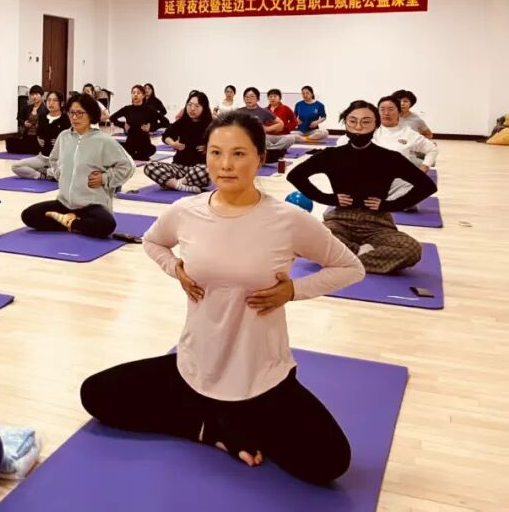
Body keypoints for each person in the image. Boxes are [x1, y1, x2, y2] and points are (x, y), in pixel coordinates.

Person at [81, 112, 363, 485]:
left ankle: (233, 416)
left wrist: (294, 290)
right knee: (96, 394)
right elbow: (152, 242)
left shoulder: (288, 219)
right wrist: (176, 268)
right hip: (195, 365)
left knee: (330, 461)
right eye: (216, 153)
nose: (225, 165)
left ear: (260, 158)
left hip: (259, 373)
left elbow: (350, 267)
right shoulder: (186, 211)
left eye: (238, 154)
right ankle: (208, 425)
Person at [287, 100, 437, 274]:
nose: (358, 127)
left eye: (366, 122)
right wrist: (328, 198)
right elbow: (295, 175)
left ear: (376, 125)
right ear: (345, 123)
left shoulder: (390, 158)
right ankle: (362, 254)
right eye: (353, 121)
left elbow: (426, 186)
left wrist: (389, 205)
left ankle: (345, 258)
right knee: (310, 237)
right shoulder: (332, 155)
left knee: (412, 250)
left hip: (378, 224)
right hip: (339, 221)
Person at [20, 94, 134, 239]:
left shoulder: (104, 141)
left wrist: (105, 178)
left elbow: (128, 166)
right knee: (29, 215)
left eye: (80, 113)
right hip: (64, 203)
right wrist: (60, 173)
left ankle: (71, 222)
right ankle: (74, 223)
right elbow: (53, 159)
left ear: (91, 115)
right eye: (71, 113)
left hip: (91, 205)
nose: (74, 117)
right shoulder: (64, 137)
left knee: (107, 225)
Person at [370, 95, 437, 206]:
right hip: (371, 178)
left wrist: (424, 168)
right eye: (382, 109)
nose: (386, 113)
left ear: (399, 112)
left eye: (390, 109)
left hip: (397, 180)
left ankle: (390, 201)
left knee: (415, 191)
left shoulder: (408, 133)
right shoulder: (370, 130)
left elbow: (432, 149)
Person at [143, 91, 213, 193]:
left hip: (198, 169)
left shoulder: (211, 125)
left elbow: (222, 144)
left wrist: (209, 147)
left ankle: (175, 183)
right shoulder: (182, 122)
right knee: (149, 167)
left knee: (207, 171)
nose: (192, 109)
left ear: (204, 108)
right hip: (178, 167)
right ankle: (181, 186)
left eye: (197, 106)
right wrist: (173, 143)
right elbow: (166, 135)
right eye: (189, 105)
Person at [12, 91, 69, 180]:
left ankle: (48, 171)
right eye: (49, 100)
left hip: (58, 160)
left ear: (61, 103)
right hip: (42, 158)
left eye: (55, 100)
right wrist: (38, 139)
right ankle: (41, 175)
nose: (51, 103)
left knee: (68, 171)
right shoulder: (42, 117)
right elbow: (39, 134)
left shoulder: (66, 119)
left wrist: (60, 142)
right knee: (16, 166)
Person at [235, 87, 295, 161]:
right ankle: (275, 151)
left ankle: (271, 150)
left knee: (291, 138)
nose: (248, 99)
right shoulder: (238, 112)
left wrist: (266, 129)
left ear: (257, 99)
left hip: (265, 138)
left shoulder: (264, 111)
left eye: (252, 96)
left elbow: (280, 124)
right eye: (246, 97)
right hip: (247, 139)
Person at [109, 85, 159, 161]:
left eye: (138, 93)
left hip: (144, 144)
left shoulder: (149, 110)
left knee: (151, 150)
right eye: (133, 93)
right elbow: (112, 118)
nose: (135, 95)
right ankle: (132, 154)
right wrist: (123, 125)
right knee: (113, 145)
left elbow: (165, 122)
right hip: (130, 143)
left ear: (143, 95)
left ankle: (136, 154)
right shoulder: (127, 109)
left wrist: (151, 127)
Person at [6, 85, 45, 153]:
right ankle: (29, 148)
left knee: (34, 145)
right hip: (27, 136)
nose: (34, 97)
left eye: (36, 94)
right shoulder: (27, 108)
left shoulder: (45, 109)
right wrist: (24, 123)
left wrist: (39, 125)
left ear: (41, 95)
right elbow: (19, 118)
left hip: (38, 137)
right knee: (9, 140)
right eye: (32, 95)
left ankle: (30, 148)